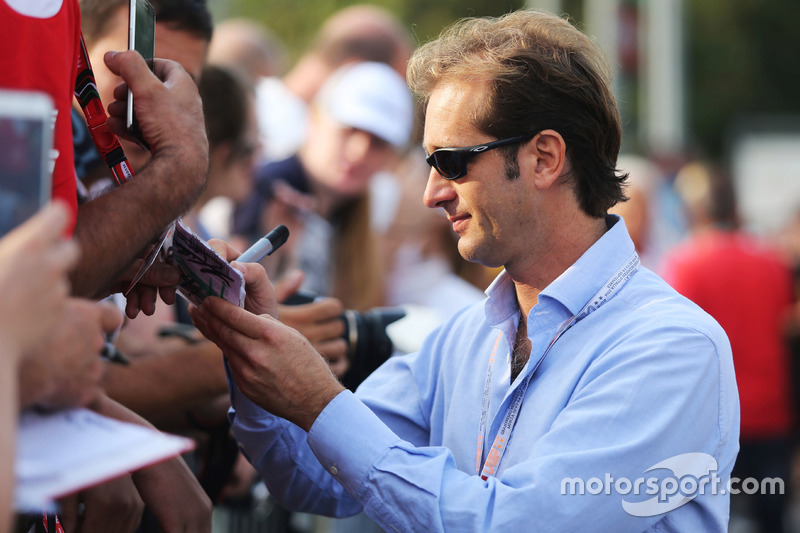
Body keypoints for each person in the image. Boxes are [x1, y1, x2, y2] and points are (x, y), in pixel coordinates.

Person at [190, 10, 739, 532]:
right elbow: (314, 480)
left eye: (451, 161)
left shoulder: (672, 346)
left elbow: (514, 524)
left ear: (544, 158)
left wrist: (318, 400)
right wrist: (254, 349)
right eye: (429, 163)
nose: (432, 193)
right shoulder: (463, 337)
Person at [662, 162, 795, 533]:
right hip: (771, 413)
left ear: (696, 210)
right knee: (774, 518)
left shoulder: (684, 263)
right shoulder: (773, 261)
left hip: (711, 420)